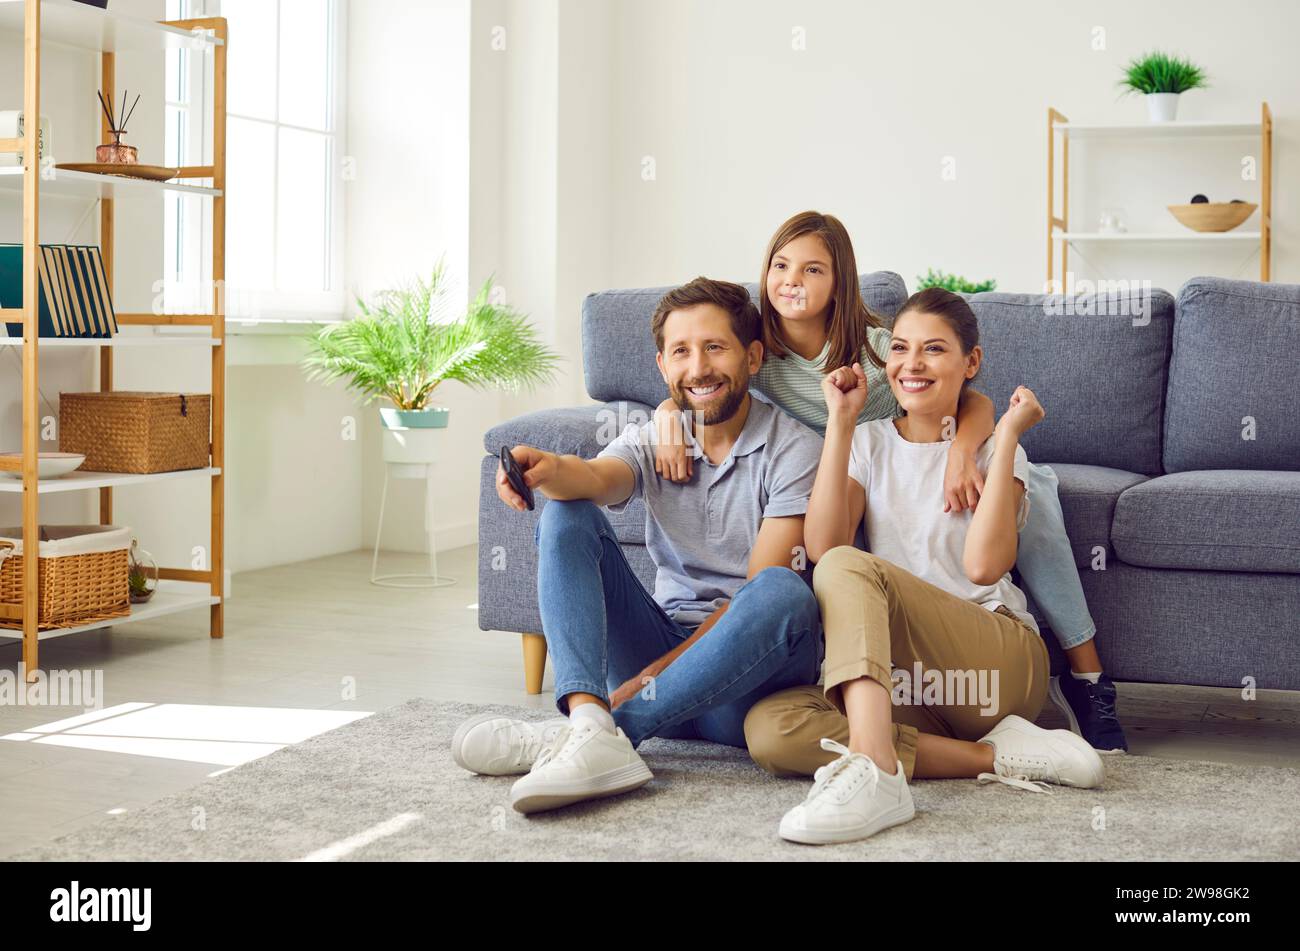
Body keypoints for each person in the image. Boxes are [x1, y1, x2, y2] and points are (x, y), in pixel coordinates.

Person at [654, 211, 1127, 753]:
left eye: (813, 270)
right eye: (781, 266)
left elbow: (968, 396)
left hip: (939, 488)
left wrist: (966, 448)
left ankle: (1088, 679)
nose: (793, 281)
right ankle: (985, 756)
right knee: (771, 724)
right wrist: (671, 412)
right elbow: (702, 379)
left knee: (1032, 495)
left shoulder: (877, 350)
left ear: (839, 283)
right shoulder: (755, 352)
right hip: (833, 473)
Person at [743, 287, 1105, 845]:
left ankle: (878, 773)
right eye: (901, 349)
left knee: (845, 567)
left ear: (971, 362)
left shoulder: (994, 450)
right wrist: (841, 423)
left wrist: (1006, 435)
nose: (912, 365)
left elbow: (985, 566)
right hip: (910, 686)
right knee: (769, 727)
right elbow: (822, 543)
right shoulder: (867, 442)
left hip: (995, 664)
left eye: (934, 350)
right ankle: (997, 756)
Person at [452, 277, 825, 814]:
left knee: (781, 590)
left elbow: (753, 602)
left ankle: (603, 732)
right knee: (566, 511)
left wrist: (641, 685)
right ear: (662, 367)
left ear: (753, 356)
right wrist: (548, 469)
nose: (698, 368)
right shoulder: (655, 437)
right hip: (657, 641)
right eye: (681, 352)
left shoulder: (794, 449)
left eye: (715, 347)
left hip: (742, 685)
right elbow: (598, 477)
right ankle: (586, 720)